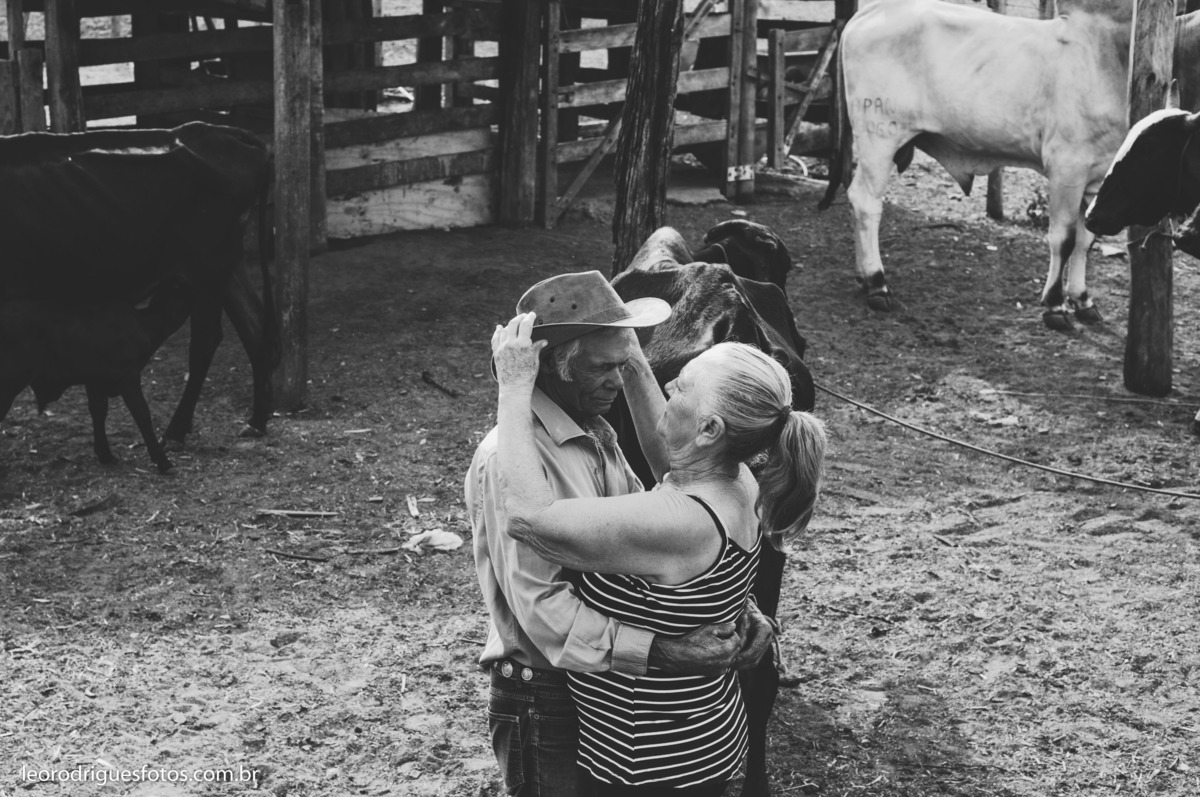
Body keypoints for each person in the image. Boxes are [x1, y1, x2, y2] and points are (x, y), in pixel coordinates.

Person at [491, 312, 827, 797]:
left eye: (683, 387)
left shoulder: (680, 522)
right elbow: (671, 458)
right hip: (697, 735)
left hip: (647, 761)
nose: (669, 382)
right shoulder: (736, 480)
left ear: (709, 428)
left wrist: (515, 384)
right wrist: (627, 355)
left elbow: (526, 517)